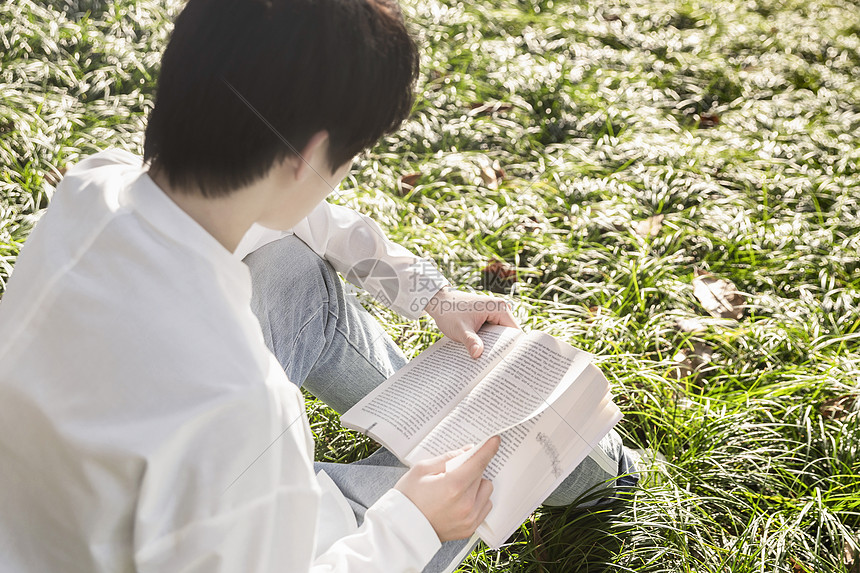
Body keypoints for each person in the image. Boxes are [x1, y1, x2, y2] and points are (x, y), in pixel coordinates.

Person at [0, 0, 637, 571]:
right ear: (308, 157)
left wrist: (431, 294)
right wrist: (414, 526)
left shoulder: (96, 186)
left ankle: (475, 425)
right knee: (485, 466)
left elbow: (312, 221)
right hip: (233, 537)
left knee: (287, 269)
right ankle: (585, 463)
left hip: (65, 503)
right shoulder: (239, 400)